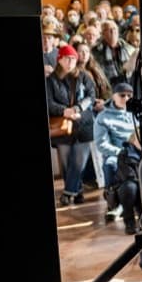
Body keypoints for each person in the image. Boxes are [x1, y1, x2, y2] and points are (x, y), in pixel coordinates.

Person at [47, 44, 98, 206]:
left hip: (83, 123)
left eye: (74, 59)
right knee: (68, 162)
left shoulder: (83, 76)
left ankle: (68, 192)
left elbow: (91, 95)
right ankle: (78, 191)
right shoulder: (51, 80)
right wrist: (64, 111)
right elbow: (48, 102)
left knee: (79, 161)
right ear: (59, 59)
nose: (71, 62)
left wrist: (77, 108)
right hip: (63, 125)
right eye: (67, 58)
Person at [93, 81, 137, 221]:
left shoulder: (137, 112)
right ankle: (114, 204)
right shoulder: (103, 117)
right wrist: (120, 152)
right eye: (122, 95)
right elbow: (101, 144)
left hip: (138, 151)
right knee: (110, 165)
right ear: (113, 97)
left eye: (129, 95)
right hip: (117, 153)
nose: (126, 99)